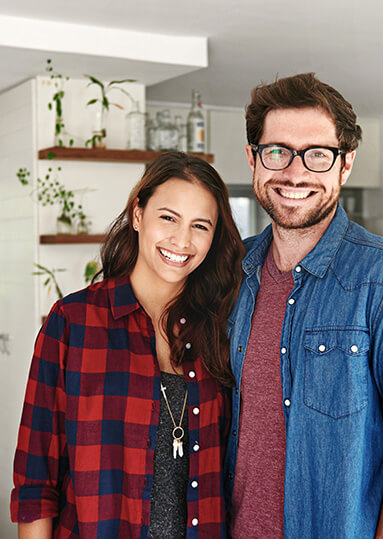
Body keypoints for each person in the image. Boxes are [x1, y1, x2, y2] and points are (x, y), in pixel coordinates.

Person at [225, 73, 383, 538]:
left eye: (317, 155)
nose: (295, 172)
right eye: (277, 151)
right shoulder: (230, 272)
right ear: (253, 159)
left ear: (344, 165)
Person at [11, 152, 244, 538]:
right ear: (138, 214)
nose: (182, 240)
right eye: (168, 217)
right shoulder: (73, 322)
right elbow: (37, 480)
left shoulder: (221, 330)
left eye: (200, 226)